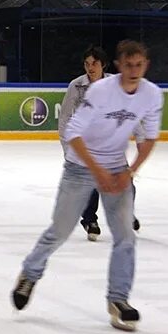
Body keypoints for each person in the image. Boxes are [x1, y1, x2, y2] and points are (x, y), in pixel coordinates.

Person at [12, 40, 163, 332]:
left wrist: (129, 171)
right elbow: (73, 132)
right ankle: (30, 273)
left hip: (117, 167)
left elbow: (148, 138)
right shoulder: (100, 91)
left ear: (146, 65)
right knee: (60, 231)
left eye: (139, 65)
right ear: (118, 66)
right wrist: (98, 173)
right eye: (128, 65)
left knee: (125, 237)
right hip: (80, 166)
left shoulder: (151, 95)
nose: (134, 70)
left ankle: (118, 300)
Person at [59, 46, 112, 240]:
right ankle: (90, 220)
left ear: (103, 65)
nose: (90, 67)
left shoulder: (114, 83)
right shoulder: (76, 85)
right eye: (87, 64)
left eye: (95, 63)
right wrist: (67, 146)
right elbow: (65, 115)